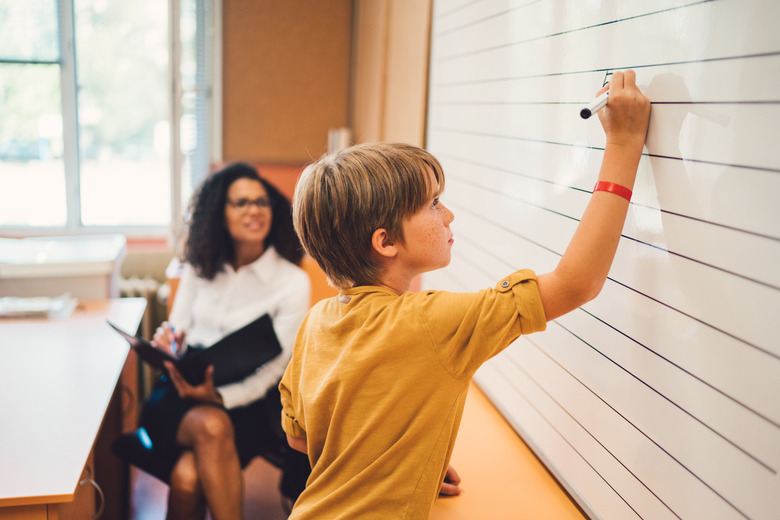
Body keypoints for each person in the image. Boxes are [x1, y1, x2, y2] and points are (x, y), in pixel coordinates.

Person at [279, 70, 651, 519]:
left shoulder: (318, 321)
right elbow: (577, 282)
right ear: (385, 242)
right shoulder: (431, 322)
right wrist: (624, 144)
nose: (448, 214)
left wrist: (400, 460)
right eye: (433, 204)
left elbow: (300, 438)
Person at [148, 162, 312, 520]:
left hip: (247, 403)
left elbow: (275, 368)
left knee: (188, 475)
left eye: (262, 202)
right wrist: (168, 344)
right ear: (219, 214)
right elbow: (178, 329)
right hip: (178, 392)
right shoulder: (198, 266)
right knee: (209, 426)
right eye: (240, 203)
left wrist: (220, 397)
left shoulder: (291, 282)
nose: (254, 210)